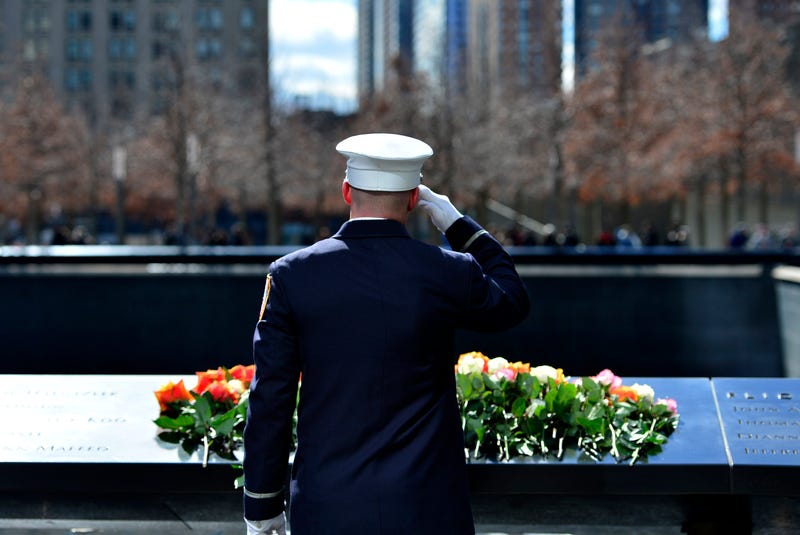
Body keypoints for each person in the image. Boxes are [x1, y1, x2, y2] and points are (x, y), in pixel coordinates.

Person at [242, 133, 530, 535]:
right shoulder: (448, 271)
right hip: (427, 510)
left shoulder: (293, 275)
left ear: (346, 191)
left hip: (329, 508)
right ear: (413, 200)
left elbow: (272, 396)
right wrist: (457, 224)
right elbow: (512, 300)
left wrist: (262, 503)